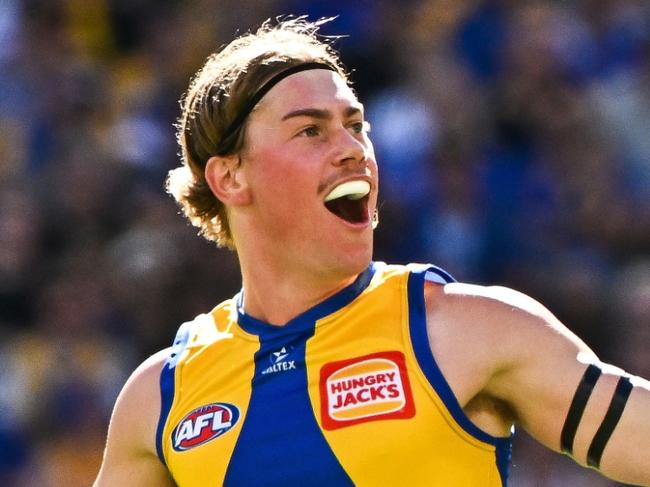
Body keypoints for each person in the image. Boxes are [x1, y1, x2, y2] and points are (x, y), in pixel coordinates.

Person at [94, 17, 650, 486]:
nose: (352, 150)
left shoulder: (472, 328)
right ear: (230, 178)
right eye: (311, 131)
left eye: (356, 126)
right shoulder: (160, 397)